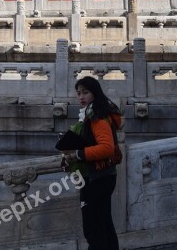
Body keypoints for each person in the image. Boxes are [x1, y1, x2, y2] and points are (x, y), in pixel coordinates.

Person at [62, 75, 122, 250]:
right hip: (101, 176)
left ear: (95, 93)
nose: (81, 97)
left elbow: (106, 148)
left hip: (96, 178)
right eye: (79, 93)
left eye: (85, 92)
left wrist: (79, 154)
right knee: (104, 226)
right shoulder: (91, 115)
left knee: (93, 230)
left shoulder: (97, 117)